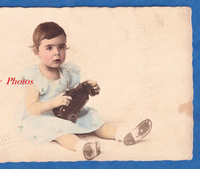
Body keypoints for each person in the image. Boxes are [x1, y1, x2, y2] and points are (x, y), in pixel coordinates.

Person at [14, 22, 152, 160]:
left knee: (91, 117)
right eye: (49, 48)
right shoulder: (34, 77)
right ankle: (82, 147)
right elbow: (32, 108)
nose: (57, 52)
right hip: (41, 117)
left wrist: (87, 88)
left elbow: (74, 91)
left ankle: (124, 134)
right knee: (60, 131)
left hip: (65, 111)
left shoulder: (66, 71)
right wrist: (53, 103)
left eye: (61, 47)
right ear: (37, 52)